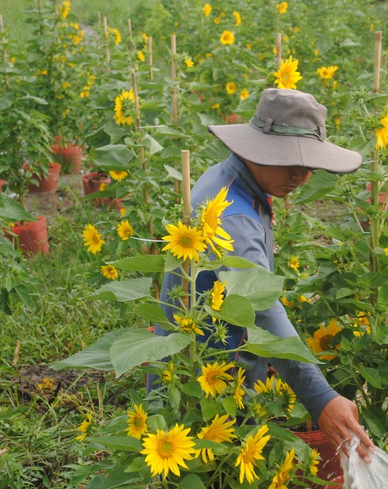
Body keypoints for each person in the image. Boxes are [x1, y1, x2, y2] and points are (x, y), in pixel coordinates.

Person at [152, 88, 376, 463]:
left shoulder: (230, 180)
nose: (301, 176)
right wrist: (321, 398)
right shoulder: (235, 217)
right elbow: (262, 308)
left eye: (309, 166)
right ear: (256, 151)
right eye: (289, 162)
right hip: (205, 386)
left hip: (213, 365)